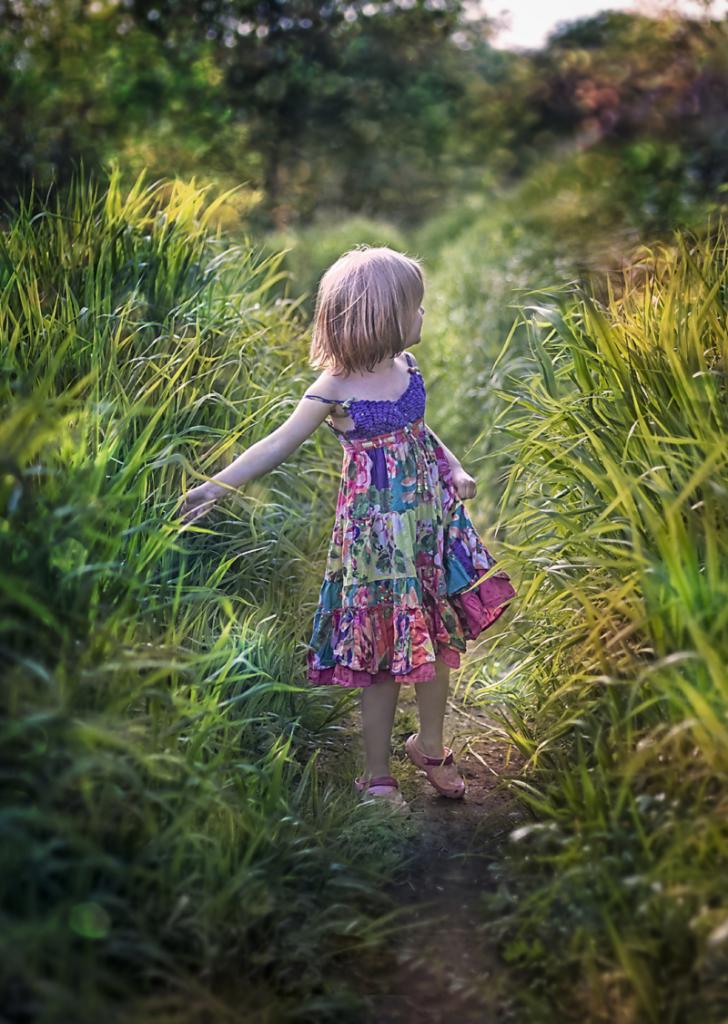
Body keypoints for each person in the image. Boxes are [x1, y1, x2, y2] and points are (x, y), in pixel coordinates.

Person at [179, 245, 517, 813]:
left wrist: (454, 468)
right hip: (375, 546)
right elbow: (278, 443)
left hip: (425, 529)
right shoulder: (334, 387)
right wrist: (215, 487)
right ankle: (377, 775)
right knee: (380, 655)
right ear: (382, 316)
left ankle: (430, 746)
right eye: (415, 306)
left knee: (436, 639)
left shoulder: (406, 369)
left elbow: (421, 431)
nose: (423, 314)